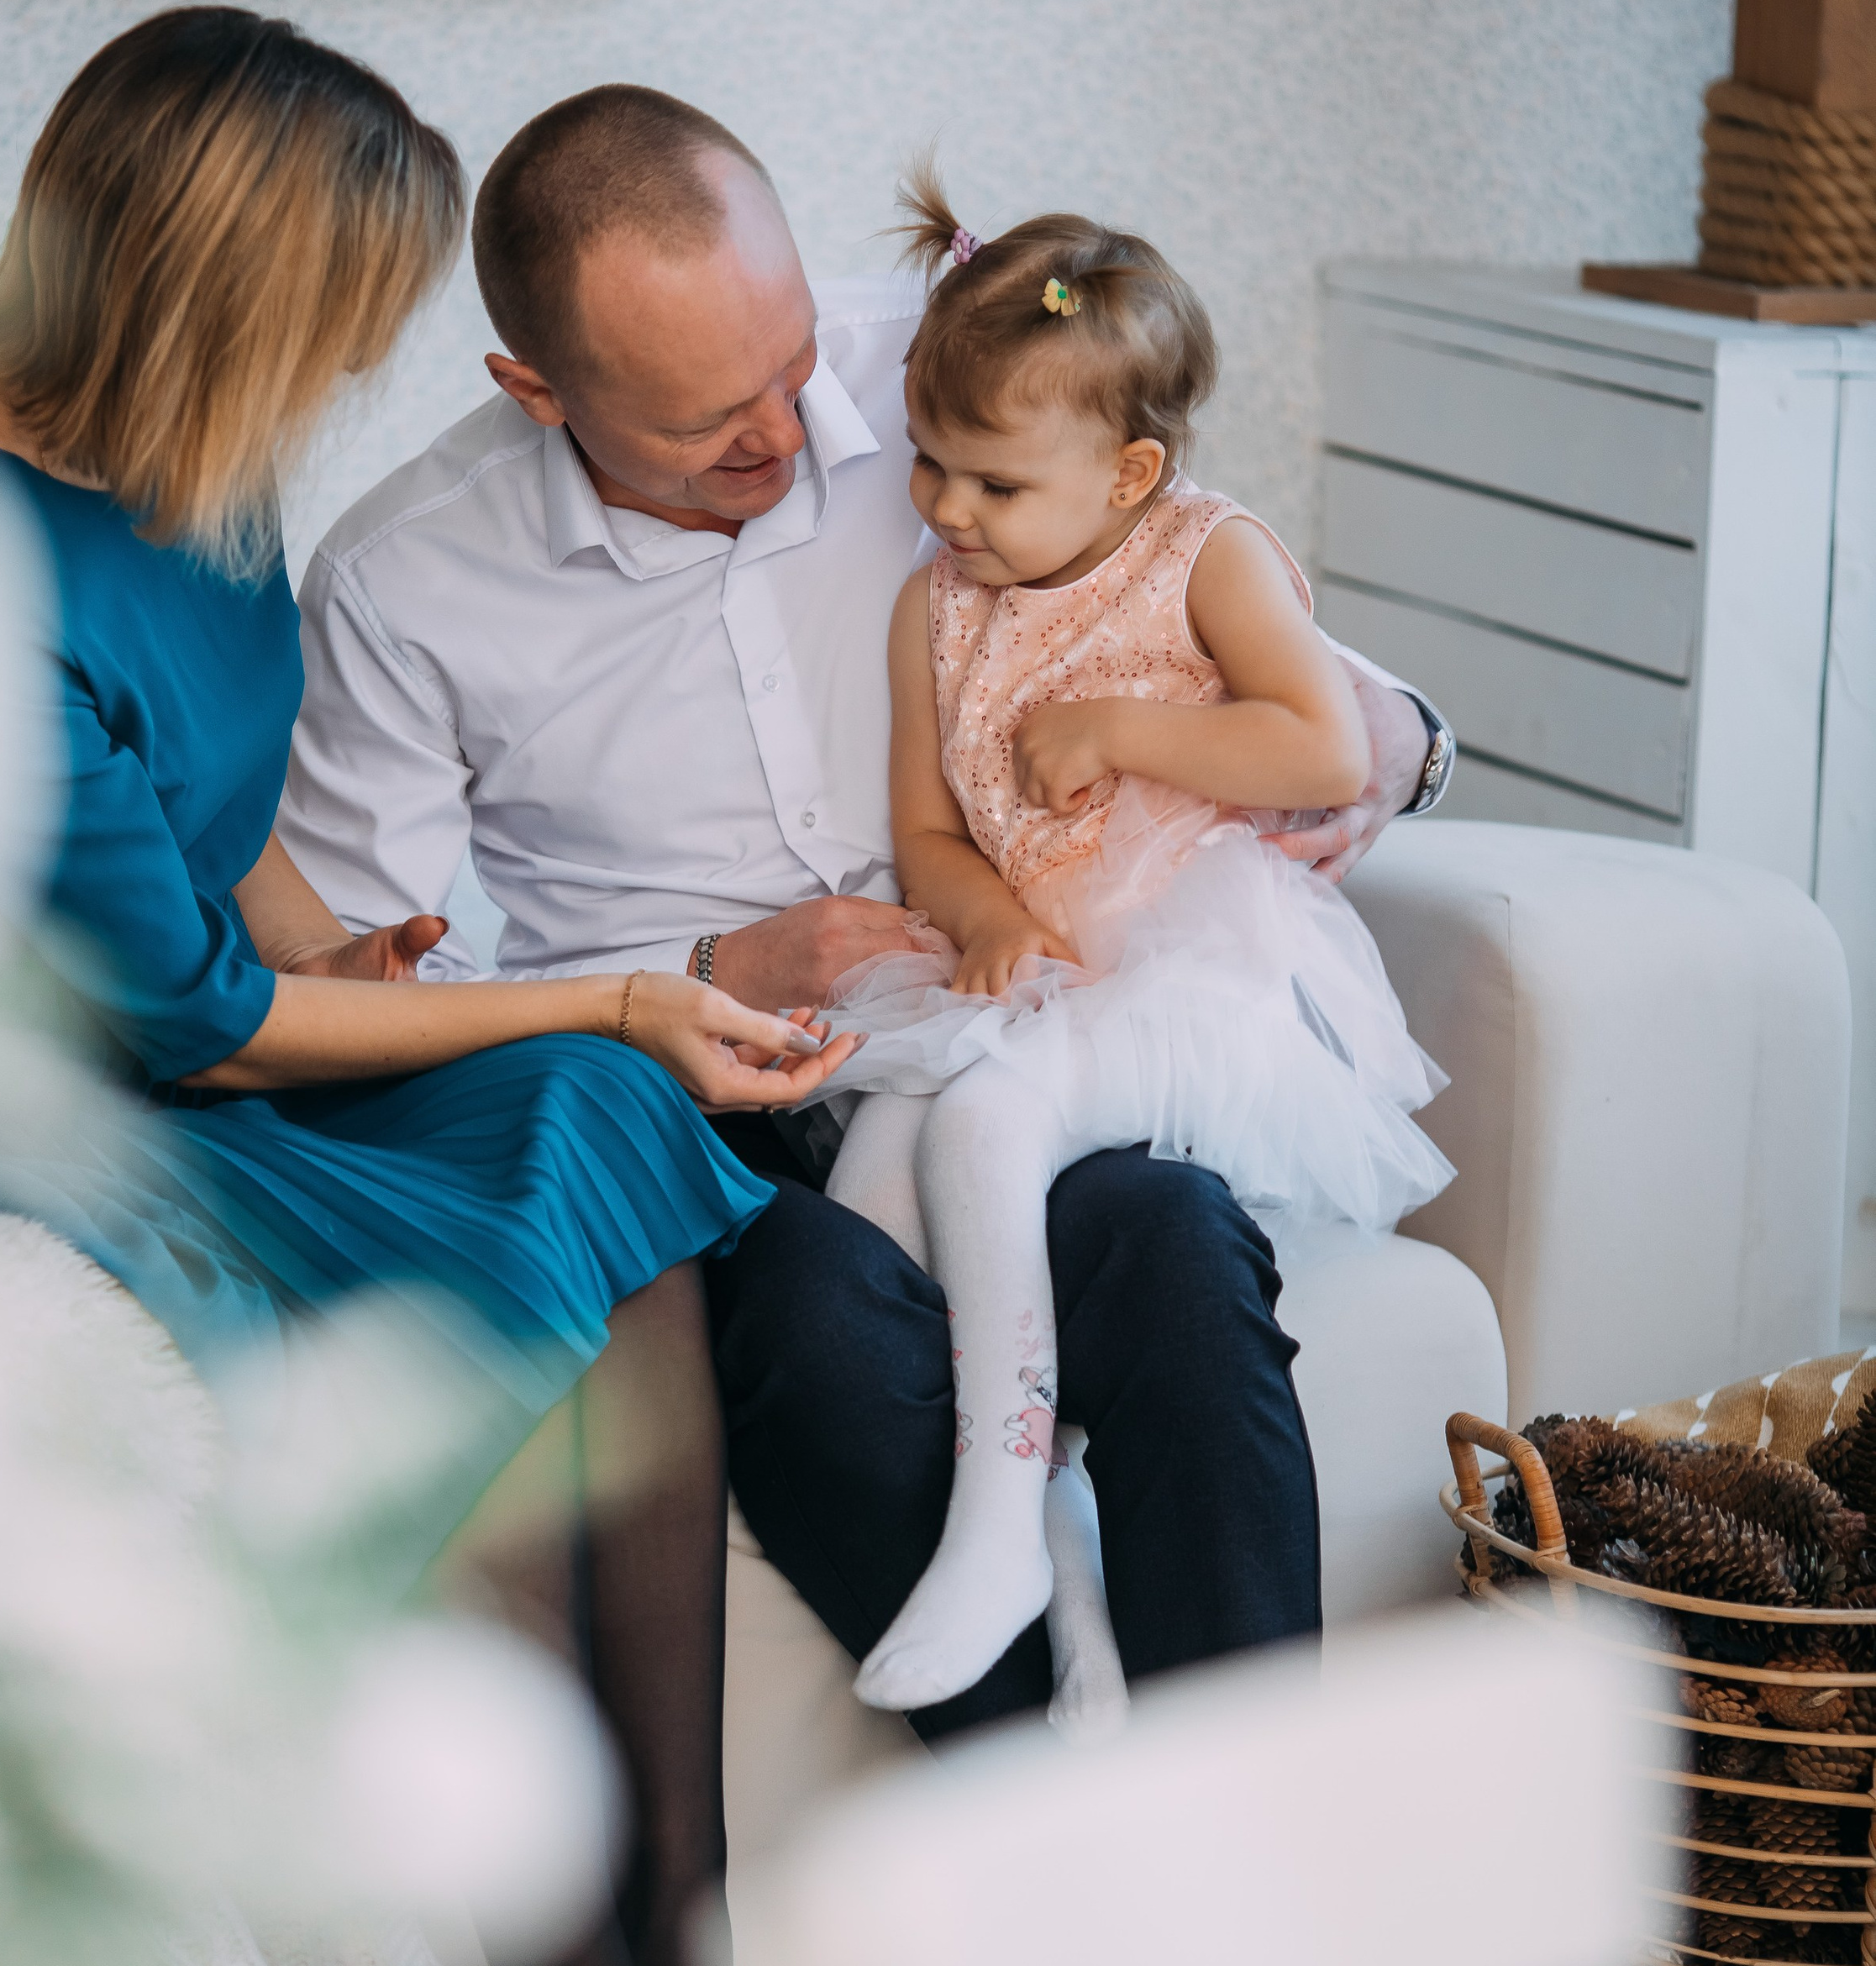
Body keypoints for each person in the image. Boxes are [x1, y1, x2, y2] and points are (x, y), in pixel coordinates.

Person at [279, 84, 1458, 1747]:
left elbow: (1198, 593)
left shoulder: (952, 373)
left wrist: (1382, 753)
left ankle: (1240, 1834)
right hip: (702, 1109)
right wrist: (688, 976)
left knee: (1180, 1258)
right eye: (708, 421)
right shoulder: (406, 578)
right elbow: (368, 990)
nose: (788, 433)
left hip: (1005, 1024)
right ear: (533, 388)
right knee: (828, 1347)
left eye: (788, 366)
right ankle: (1044, 1831)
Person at [0, 9, 855, 1966]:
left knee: (608, 1113)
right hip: (83, 1110)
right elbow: (203, 1028)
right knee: (582, 1092)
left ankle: (671, 1881)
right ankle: (543, 1905)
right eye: (335, 319)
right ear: (210, 303)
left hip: (209, 1022)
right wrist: (601, 991)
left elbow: (213, 819)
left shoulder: (177, 459)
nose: (347, 366)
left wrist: (343, 941)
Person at [805, 171, 1455, 1726]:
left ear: (1130, 471)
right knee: (869, 1209)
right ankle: (1058, 1562)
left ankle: (985, 1532)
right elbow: (930, 833)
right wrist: (984, 917)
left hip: (1199, 972)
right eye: (930, 467)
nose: (950, 513)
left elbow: (1318, 750)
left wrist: (1120, 725)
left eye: (995, 486)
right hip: (1045, 972)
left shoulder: (1208, 559)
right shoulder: (936, 608)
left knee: (983, 1121)